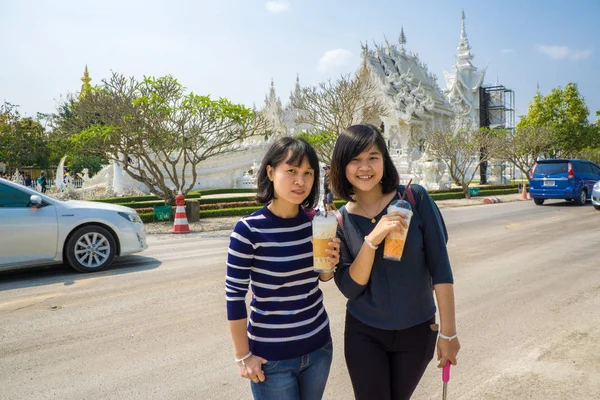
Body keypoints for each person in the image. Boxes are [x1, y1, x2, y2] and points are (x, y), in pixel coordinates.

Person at [329, 124, 460, 400]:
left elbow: (440, 267)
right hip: (364, 333)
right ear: (342, 166)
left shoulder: (415, 198)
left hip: (417, 331)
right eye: (355, 159)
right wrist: (372, 240)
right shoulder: (340, 220)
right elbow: (351, 288)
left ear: (384, 162)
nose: (365, 167)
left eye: (373, 157)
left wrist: (449, 333)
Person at [225, 136, 341, 400]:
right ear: (270, 171)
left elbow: (322, 277)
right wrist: (243, 356)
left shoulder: (316, 223)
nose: (300, 181)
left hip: (318, 348)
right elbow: (234, 296)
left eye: (307, 173)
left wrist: (329, 264)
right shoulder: (248, 230)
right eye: (291, 171)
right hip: (271, 359)